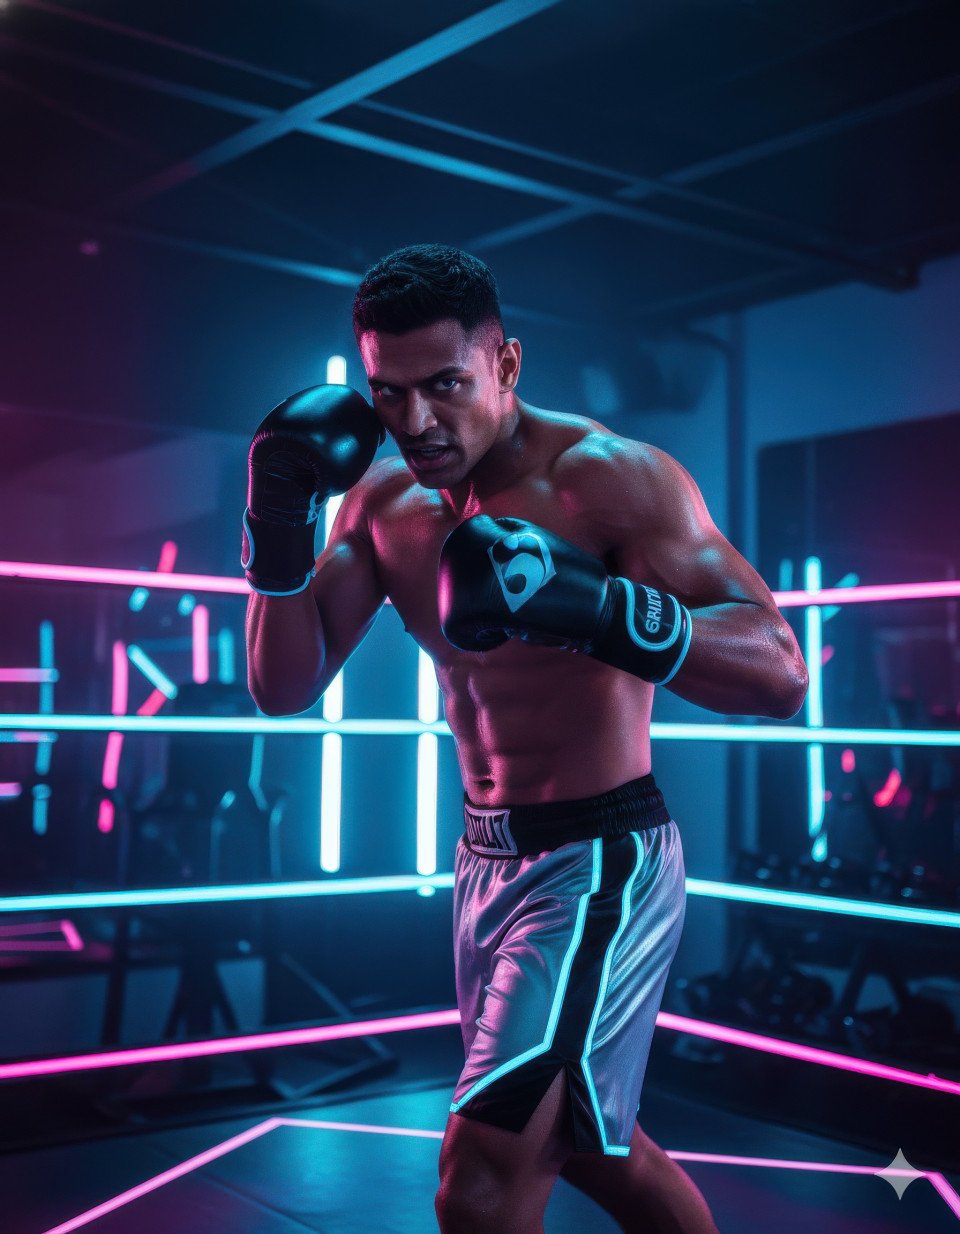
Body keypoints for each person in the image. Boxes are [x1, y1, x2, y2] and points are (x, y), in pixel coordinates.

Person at [244, 244, 808, 1234]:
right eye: (388, 394)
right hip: (483, 864)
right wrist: (276, 520)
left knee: (482, 1182)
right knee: (590, 1144)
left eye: (444, 385)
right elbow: (282, 685)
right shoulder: (382, 506)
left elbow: (780, 670)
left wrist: (598, 608)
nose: (416, 422)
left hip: (599, 865)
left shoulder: (608, 482)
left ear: (505, 363)